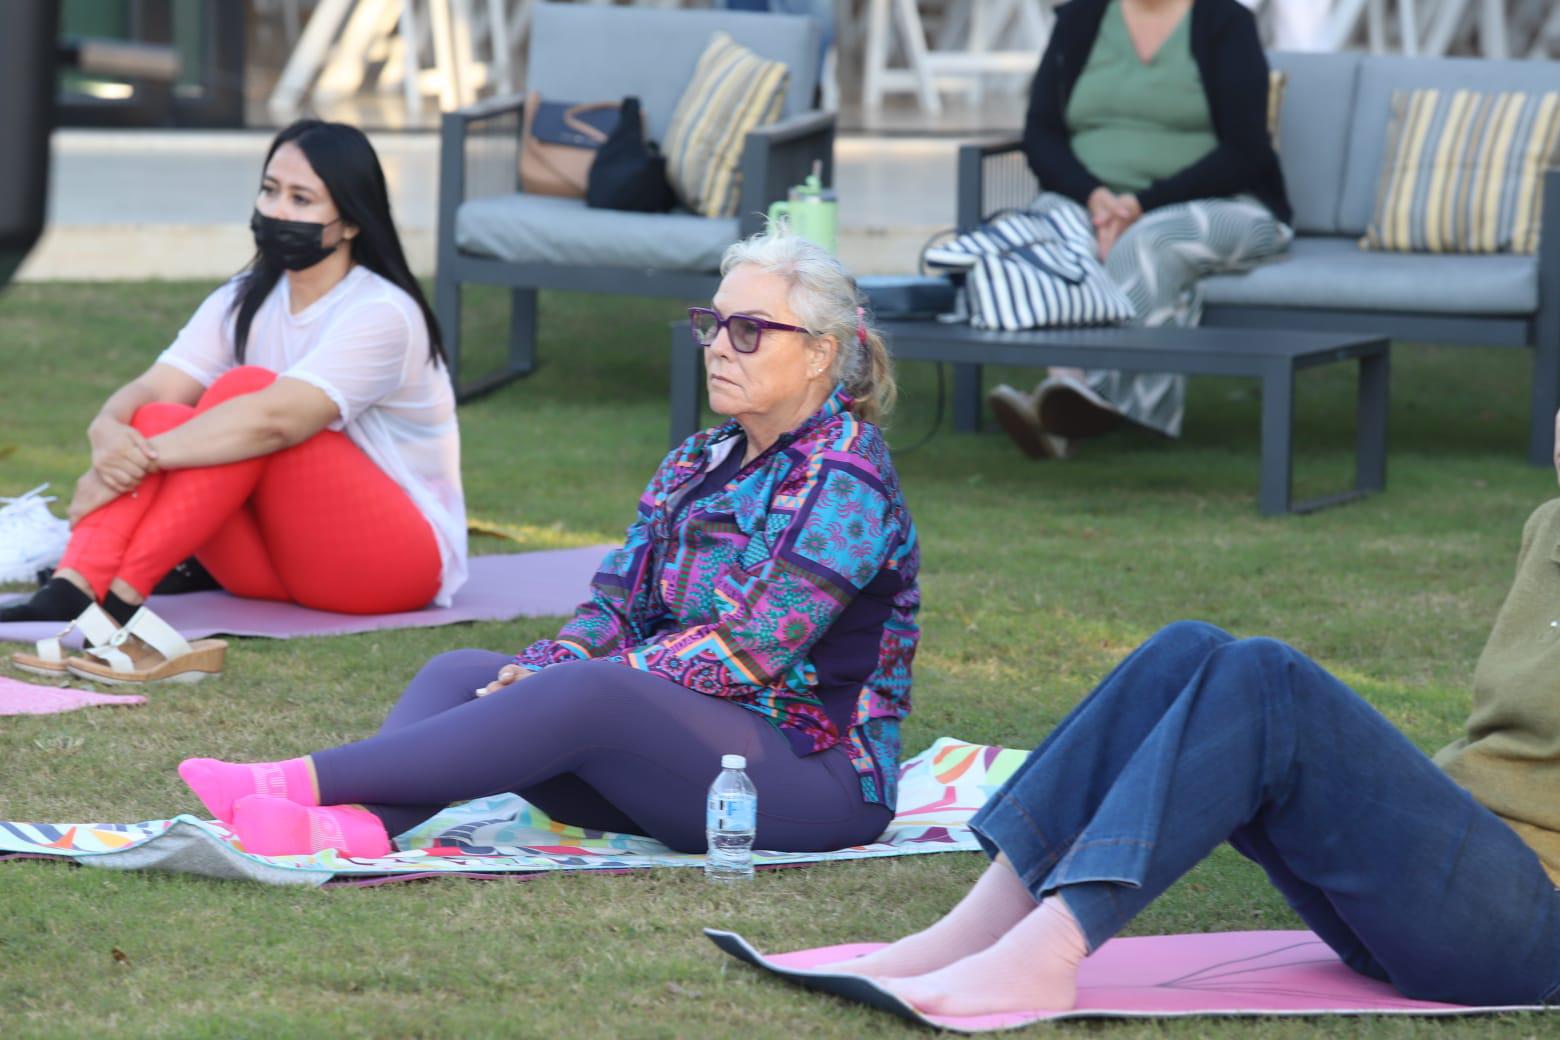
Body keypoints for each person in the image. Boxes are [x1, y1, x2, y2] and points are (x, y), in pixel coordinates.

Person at [174, 231, 921, 859]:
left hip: (810, 781)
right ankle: (360, 829)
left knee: (591, 687)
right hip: (680, 762)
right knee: (463, 670)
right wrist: (542, 669)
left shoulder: (844, 474)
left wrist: (568, 683)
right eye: (713, 323)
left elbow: (750, 649)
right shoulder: (698, 459)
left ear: (820, 355)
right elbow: (613, 609)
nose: (720, 347)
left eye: (748, 330)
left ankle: (294, 782)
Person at [810, 419, 1560, 1014]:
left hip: (1528, 934)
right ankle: (975, 929)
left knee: (1267, 679)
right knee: (1188, 652)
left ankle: (1049, 952)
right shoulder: (1549, 526)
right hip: (1445, 888)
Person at [3, 120, 466, 684]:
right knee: (158, 415)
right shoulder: (242, 299)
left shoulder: (381, 313)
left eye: (301, 199)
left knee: (245, 394)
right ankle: (73, 587)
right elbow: (152, 390)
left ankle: (119, 605)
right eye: (270, 190)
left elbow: (275, 421)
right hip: (274, 571)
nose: (277, 210)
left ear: (350, 221)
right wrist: (107, 433)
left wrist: (134, 460)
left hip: (390, 565)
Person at [988, 0, 1293, 459]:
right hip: (1093, 202)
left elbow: (1245, 150)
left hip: (1222, 204)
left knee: (1150, 243)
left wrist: (1141, 205)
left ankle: (1108, 412)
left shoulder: (1225, 21)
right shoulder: (1080, 18)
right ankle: (1064, 399)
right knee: (1038, 235)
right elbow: (1041, 133)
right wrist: (1094, 196)